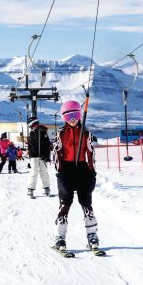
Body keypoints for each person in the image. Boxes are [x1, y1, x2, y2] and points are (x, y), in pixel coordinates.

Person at [53, 100, 99, 251]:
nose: (72, 119)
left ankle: (92, 235)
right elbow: (56, 153)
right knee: (65, 203)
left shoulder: (86, 133)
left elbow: (91, 152)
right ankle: (60, 236)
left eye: (76, 115)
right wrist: (60, 170)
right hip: (66, 170)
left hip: (82, 169)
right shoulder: (60, 133)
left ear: (80, 115)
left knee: (86, 202)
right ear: (63, 117)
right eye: (68, 116)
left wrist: (91, 171)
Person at [26, 116, 52, 198]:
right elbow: (31, 146)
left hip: (42, 156)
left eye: (33, 125)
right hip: (34, 156)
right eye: (32, 126)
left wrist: (46, 156)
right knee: (34, 172)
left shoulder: (43, 133)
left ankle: (46, 188)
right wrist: (31, 154)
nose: (33, 127)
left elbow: (47, 145)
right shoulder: (32, 133)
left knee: (44, 172)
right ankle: (30, 189)